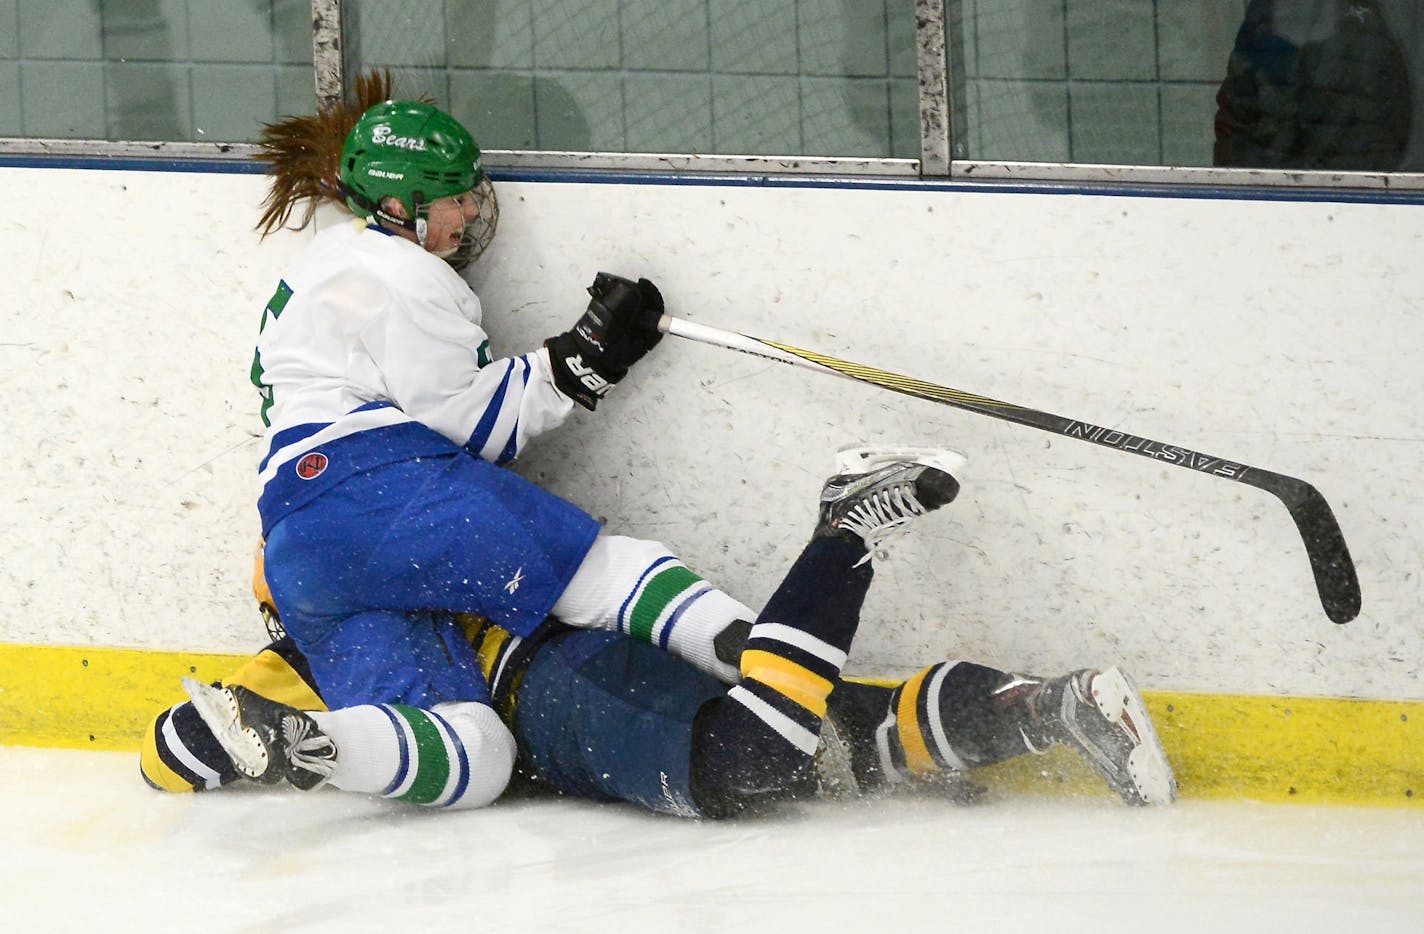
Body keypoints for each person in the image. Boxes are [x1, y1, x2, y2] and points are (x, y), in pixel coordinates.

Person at [229, 73, 821, 807]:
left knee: (471, 752)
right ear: (395, 205)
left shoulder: (327, 259)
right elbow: (479, 427)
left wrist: (575, 357)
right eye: (454, 198)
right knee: (607, 572)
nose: (472, 208)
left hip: (297, 545)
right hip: (377, 488)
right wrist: (584, 356)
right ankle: (777, 674)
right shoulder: (407, 273)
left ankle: (323, 747)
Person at [147, 448, 1178, 815]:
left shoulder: (313, 653)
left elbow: (171, 754)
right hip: (579, 674)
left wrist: (272, 737)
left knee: (748, 763)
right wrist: (254, 738)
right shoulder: (356, 602)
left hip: (560, 695)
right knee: (839, 741)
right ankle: (1057, 706)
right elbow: (170, 751)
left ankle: (846, 528)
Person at [1213, 0, 1413, 171]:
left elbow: (1375, 148)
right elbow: (1233, 127)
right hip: (1258, 198)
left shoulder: (1366, 44)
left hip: (1348, 199)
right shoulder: (1258, 30)